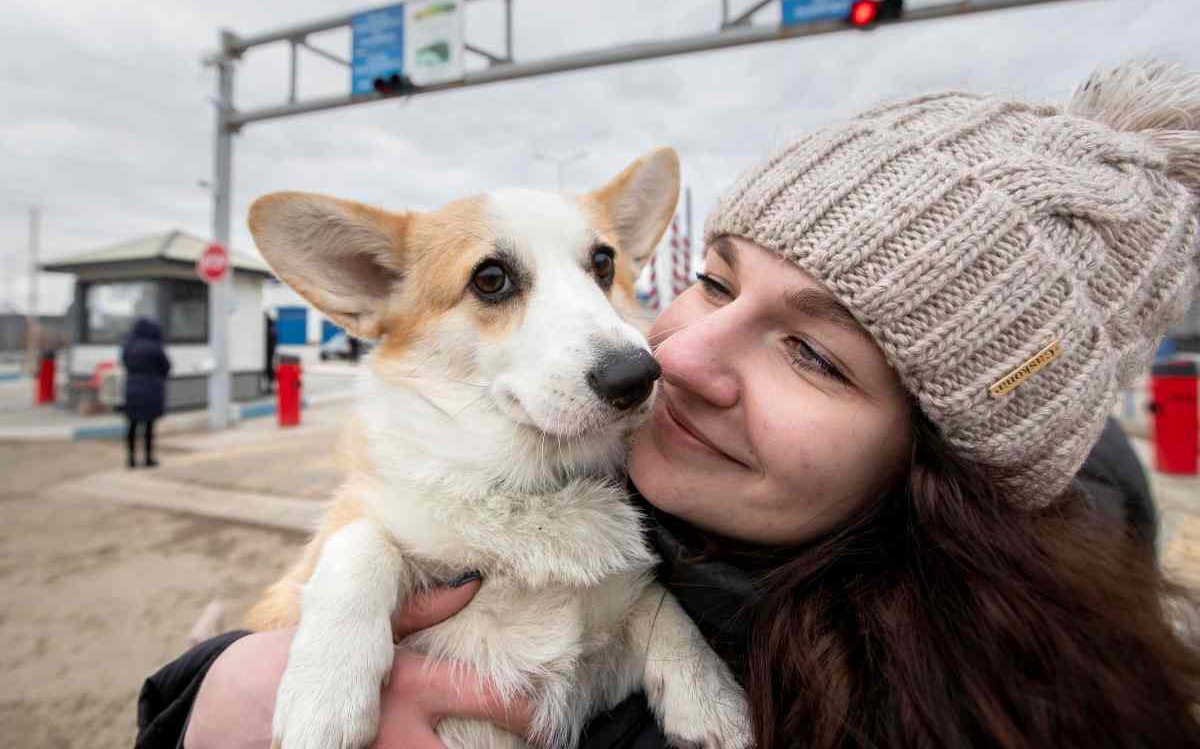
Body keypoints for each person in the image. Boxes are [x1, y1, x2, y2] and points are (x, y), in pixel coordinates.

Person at [137, 59, 1200, 748]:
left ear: (939, 462)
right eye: (720, 281)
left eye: (817, 356)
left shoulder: (910, 704)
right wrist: (219, 689)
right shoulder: (645, 491)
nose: (668, 357)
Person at [122, 317, 171, 469]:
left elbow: (124, 363)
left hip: (132, 390)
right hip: (152, 390)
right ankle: (148, 458)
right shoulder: (156, 347)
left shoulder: (129, 346)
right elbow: (166, 367)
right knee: (149, 426)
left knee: (132, 425)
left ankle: (130, 459)